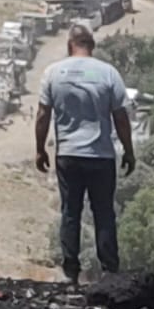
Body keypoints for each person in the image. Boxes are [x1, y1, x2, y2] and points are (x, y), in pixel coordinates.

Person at [35, 24, 136, 284]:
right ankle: (110, 271)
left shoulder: (53, 73)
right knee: (104, 213)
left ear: (70, 45)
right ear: (92, 45)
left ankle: (70, 271)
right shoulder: (108, 73)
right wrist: (128, 150)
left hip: (68, 154)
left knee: (71, 212)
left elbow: (43, 115)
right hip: (101, 156)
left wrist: (39, 150)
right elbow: (121, 118)